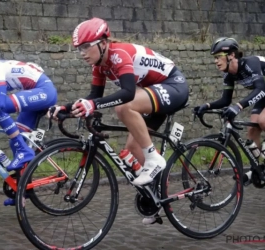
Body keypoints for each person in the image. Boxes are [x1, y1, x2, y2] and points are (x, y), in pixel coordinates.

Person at [48, 17, 189, 223]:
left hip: (174, 86)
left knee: (123, 106)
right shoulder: (100, 66)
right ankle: (158, 199)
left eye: (87, 46)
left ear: (104, 43)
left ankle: (154, 159)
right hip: (153, 93)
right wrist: (66, 108)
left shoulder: (118, 54)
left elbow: (128, 93)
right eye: (79, 48)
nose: (83, 53)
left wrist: (94, 105)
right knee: (133, 147)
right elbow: (94, 97)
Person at [0, 46, 58, 205]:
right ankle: (22, 191)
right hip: (33, 94)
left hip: (44, 91)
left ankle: (24, 150)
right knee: (16, 139)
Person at [194, 37, 265, 185]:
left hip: (263, 90)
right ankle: (257, 170)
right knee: (252, 131)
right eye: (215, 58)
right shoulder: (229, 75)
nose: (216, 61)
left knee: (262, 121)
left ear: (231, 55)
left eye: (218, 57)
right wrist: (206, 106)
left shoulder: (250, 63)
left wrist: (238, 106)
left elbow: (261, 88)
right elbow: (225, 100)